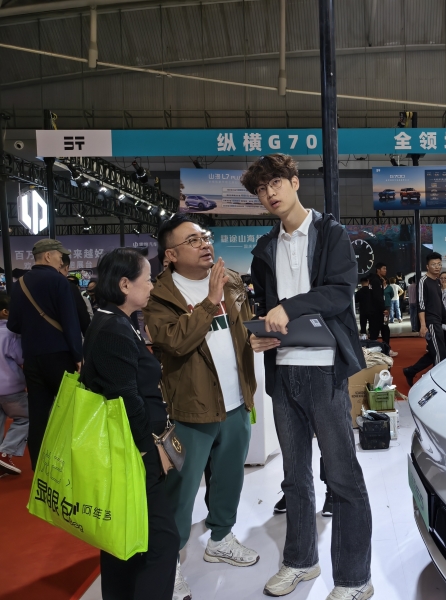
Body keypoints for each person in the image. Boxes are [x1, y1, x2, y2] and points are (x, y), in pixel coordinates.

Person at [242, 154, 373, 600]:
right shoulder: (266, 247)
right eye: (261, 190)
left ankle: (354, 578)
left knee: (342, 476)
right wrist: (262, 333)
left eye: (275, 183)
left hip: (325, 369)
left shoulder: (331, 233)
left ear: (295, 182)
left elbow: (339, 292)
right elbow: (267, 308)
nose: (270, 194)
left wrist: (289, 308)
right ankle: (300, 560)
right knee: (294, 477)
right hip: (284, 371)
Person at [144, 215, 260, 600]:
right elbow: (174, 342)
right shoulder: (160, 297)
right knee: (182, 488)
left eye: (205, 237)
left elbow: (242, 329)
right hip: (191, 406)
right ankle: (170, 561)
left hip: (235, 400)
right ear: (171, 255)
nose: (204, 244)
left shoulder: (231, 281)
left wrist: (259, 339)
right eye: (192, 240)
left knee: (229, 475)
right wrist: (209, 303)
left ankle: (221, 537)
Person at [81, 248, 180, 600]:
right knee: (162, 543)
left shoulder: (116, 321)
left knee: (125, 541)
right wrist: (151, 450)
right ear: (125, 284)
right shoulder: (113, 328)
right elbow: (126, 398)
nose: (152, 286)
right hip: (132, 453)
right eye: (147, 280)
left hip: (127, 450)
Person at [8, 239, 82, 470]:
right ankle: (69, 464)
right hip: (60, 356)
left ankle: (39, 467)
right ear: (48, 256)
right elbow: (70, 322)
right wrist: (78, 356)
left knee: (38, 414)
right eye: (60, 255)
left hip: (32, 357)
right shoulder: (59, 281)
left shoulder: (19, 284)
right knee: (69, 411)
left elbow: (13, 324)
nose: (62, 260)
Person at [403, 253, 446, 387]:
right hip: (431, 323)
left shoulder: (437, 281)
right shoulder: (423, 281)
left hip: (438, 321)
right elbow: (421, 304)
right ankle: (439, 384)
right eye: (433, 264)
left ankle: (410, 371)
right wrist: (423, 325)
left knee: (435, 352)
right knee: (440, 355)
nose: (437, 267)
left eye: (439, 264)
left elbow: (440, 303)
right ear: (427, 266)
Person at [0, 293, 28, 475]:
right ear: (5, 311)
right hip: (10, 388)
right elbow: (20, 357)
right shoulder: (10, 333)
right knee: (27, 417)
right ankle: (5, 452)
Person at [59, 255, 92, 332]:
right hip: (65, 334)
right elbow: (83, 317)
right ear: (66, 268)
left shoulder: (38, 283)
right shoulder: (69, 287)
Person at [367, 263, 387, 341]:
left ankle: (385, 346)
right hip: (376, 310)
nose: (385, 270)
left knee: (383, 329)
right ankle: (376, 346)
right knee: (376, 331)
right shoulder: (376, 281)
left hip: (375, 309)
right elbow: (377, 296)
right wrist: (383, 308)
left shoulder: (377, 280)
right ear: (378, 270)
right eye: (384, 268)